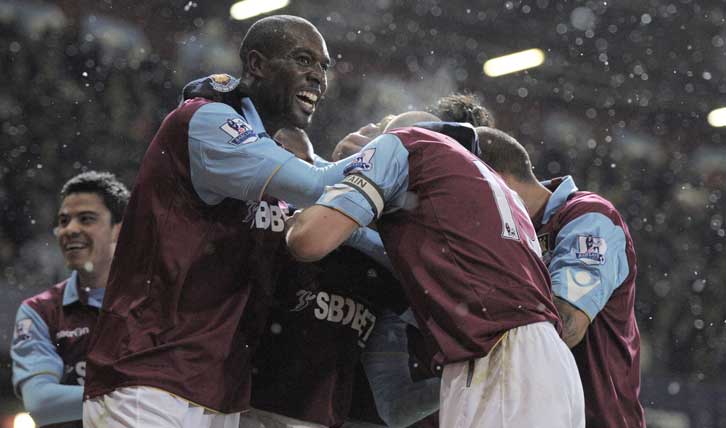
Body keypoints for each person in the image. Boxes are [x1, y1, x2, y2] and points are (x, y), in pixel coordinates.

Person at [83, 15, 360, 428]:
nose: (318, 77)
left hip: (220, 391)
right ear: (257, 64)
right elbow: (315, 184)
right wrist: (403, 151)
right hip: (148, 374)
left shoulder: (267, 161)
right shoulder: (207, 121)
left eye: (323, 66)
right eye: (304, 59)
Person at [286, 111, 585, 427]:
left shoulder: (407, 143)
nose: (366, 131)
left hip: (497, 358)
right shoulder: (490, 188)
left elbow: (309, 241)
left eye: (377, 127)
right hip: (548, 365)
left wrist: (309, 213)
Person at [475, 126, 645, 428]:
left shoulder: (590, 218)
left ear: (495, 180)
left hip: (596, 418)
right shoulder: (509, 233)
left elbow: (566, 325)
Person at [10, 171, 129, 427]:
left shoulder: (156, 301)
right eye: (64, 221)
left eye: (86, 219)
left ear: (119, 229)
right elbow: (42, 404)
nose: (70, 230)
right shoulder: (39, 312)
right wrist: (136, 396)